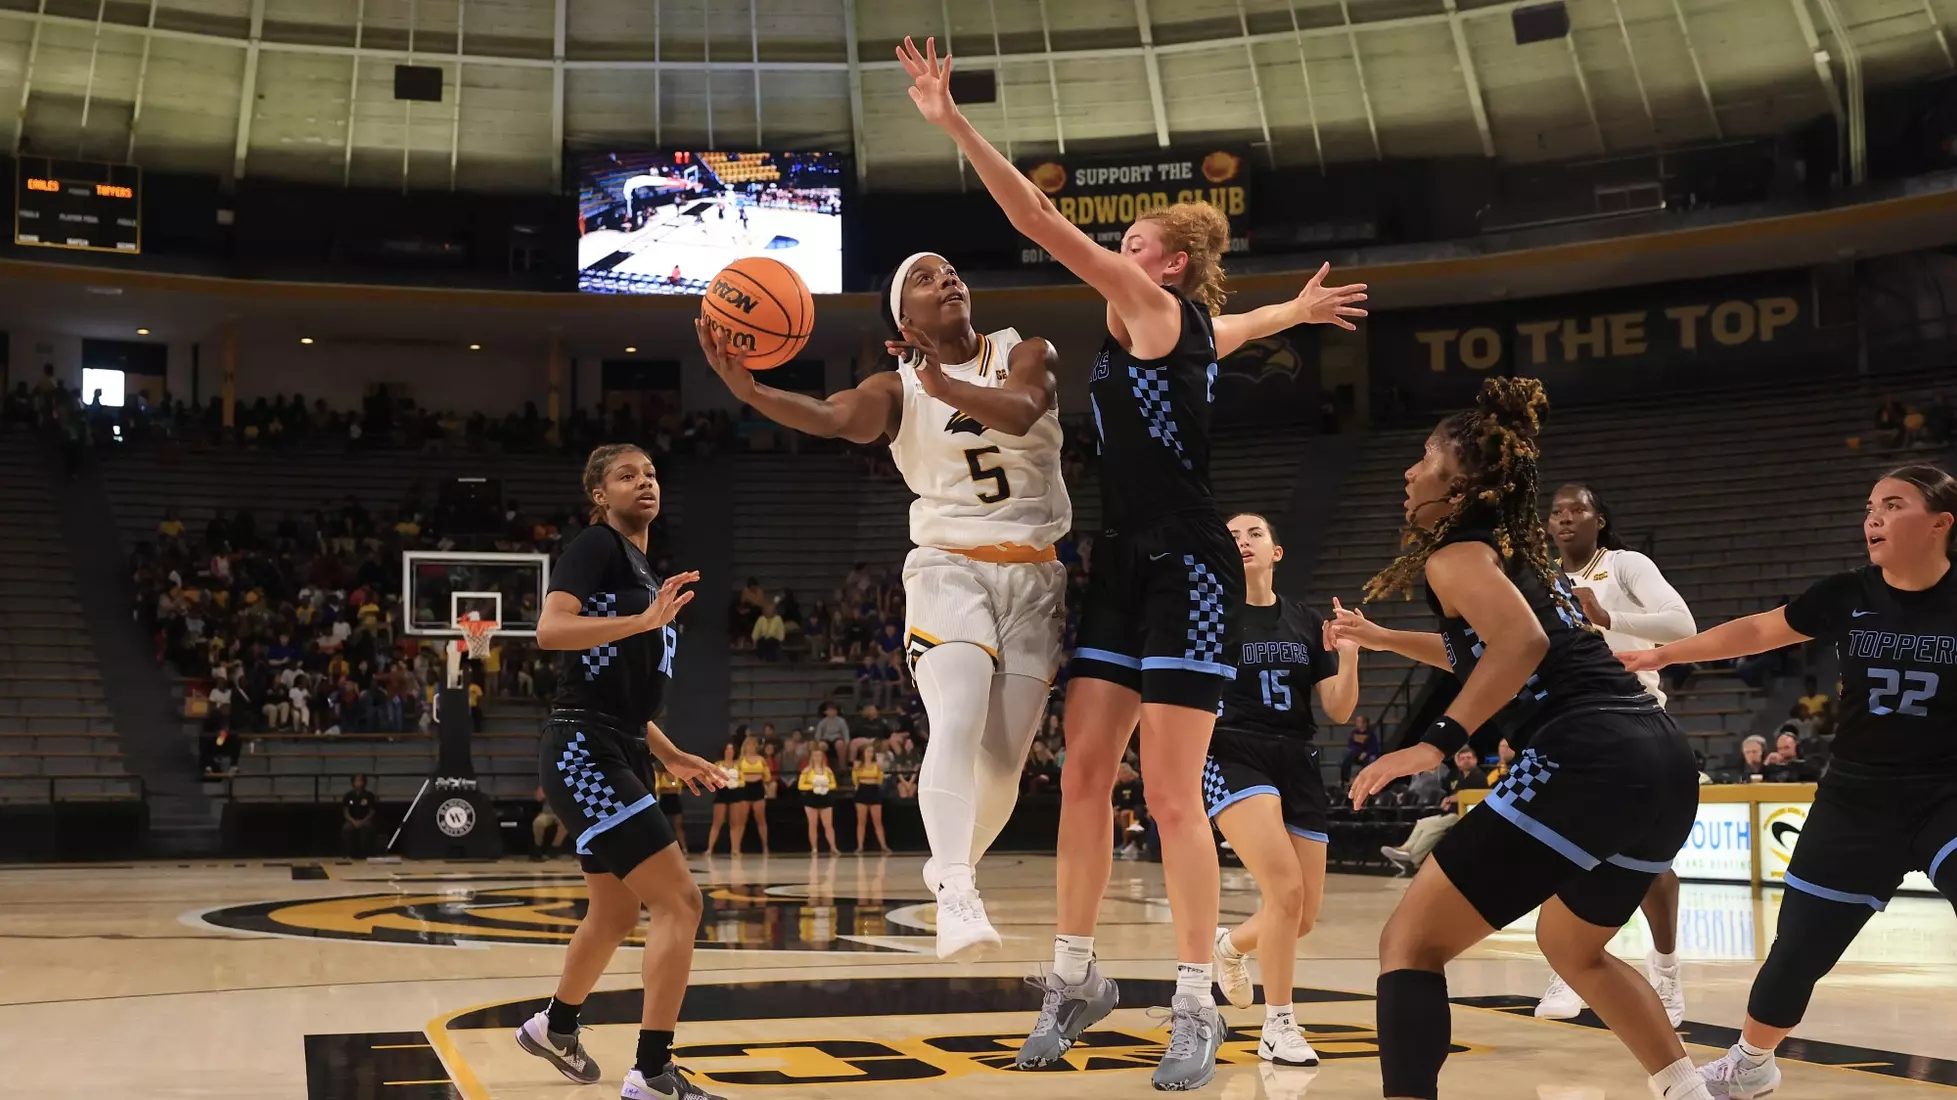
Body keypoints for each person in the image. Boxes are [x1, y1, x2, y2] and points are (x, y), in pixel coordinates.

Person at [889, 38, 1367, 1086]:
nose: (1116, 243)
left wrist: (953, 124)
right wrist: (1292, 310)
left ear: (1165, 267)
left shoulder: (1152, 309)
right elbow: (1234, 326)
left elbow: (1035, 220)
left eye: (1134, 237)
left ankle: (1194, 995)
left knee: (1168, 795)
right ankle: (1074, 978)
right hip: (1117, 561)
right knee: (1083, 778)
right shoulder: (1178, 323)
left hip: (1188, 568)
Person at [1331, 378, 1710, 1100]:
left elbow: (1520, 644)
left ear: (1461, 483)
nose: (1409, 472)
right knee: (1571, 947)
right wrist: (1382, 638)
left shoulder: (1457, 555)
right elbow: (1490, 652)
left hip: (1586, 753)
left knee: (1409, 944)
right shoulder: (1522, 557)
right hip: (1660, 755)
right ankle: (1686, 1091)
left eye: (1424, 459)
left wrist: (1434, 742)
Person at [698, 243, 1073, 961]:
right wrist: (752, 392)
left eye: (951, 270)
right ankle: (957, 890)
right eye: (926, 279)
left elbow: (1023, 412)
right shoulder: (894, 390)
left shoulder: (1025, 349)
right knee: (956, 716)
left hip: (1036, 579)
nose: (949, 279)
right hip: (947, 569)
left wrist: (941, 382)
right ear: (904, 317)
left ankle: (946, 861)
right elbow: (831, 415)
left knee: (1001, 765)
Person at [1614, 465, 1957, 1098]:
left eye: (1893, 504)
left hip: (1947, 794)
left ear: (1941, 523)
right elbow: (1756, 629)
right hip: (1856, 799)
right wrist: (1662, 654)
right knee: (1796, 951)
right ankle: (1752, 1063)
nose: (1873, 517)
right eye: (1869, 506)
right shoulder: (1848, 592)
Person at [515, 442, 727, 1100]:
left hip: (618, 741)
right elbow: (550, 631)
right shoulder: (596, 545)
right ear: (599, 494)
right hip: (584, 745)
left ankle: (555, 1025)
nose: (646, 484)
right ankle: (653, 1071)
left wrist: (668, 753)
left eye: (652, 474)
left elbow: (623, 690)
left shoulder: (637, 564)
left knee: (613, 911)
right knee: (681, 902)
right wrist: (640, 618)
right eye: (627, 476)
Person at [1537, 483, 1698, 1027]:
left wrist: (1608, 618)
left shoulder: (1626, 565)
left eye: (1576, 510)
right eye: (1556, 512)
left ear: (1599, 519)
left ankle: (1667, 971)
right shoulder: (1542, 580)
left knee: (1652, 863)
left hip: (1636, 718)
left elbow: (1682, 626)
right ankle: (1567, 970)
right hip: (1569, 725)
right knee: (1562, 851)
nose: (1565, 519)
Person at [1204, 513, 1359, 1068]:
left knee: (1302, 915)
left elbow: (1338, 708)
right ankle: (1279, 1026)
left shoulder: (1304, 618)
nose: (1242, 542)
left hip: (1297, 757)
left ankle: (1230, 945)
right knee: (1285, 893)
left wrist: (1350, 649)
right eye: (1232, 537)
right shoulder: (1210, 615)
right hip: (1233, 751)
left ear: (1277, 550)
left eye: (1254, 534)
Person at [1379, 744, 1497, 874]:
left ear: (1475, 760)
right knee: (1423, 822)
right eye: (1462, 758)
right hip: (1452, 813)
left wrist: (1453, 799)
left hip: (1466, 816)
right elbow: (1453, 795)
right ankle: (1405, 849)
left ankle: (1413, 859)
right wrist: (1449, 801)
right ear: (1457, 761)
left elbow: (1476, 796)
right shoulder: (1459, 777)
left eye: (1469, 757)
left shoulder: (1478, 776)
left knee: (1434, 827)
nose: (1466, 760)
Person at [799, 743, 841, 854]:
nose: (817, 758)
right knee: (813, 824)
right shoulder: (806, 770)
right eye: (815, 755)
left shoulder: (828, 770)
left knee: (828, 825)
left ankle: (833, 847)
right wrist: (813, 786)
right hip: (811, 798)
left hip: (825, 797)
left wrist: (824, 785)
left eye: (819, 755)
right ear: (811, 757)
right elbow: (800, 785)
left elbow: (834, 785)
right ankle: (814, 848)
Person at [733, 734, 771, 855]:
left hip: (758, 788)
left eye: (753, 745)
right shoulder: (740, 760)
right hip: (745, 788)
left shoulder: (761, 760)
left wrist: (765, 782)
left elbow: (767, 776)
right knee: (741, 820)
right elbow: (736, 775)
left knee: (761, 819)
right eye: (749, 745)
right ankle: (736, 848)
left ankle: (765, 846)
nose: (751, 747)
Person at [853, 744, 891, 853]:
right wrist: (855, 770)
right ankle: (860, 846)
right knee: (861, 821)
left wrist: (881, 769)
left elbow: (879, 780)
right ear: (863, 753)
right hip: (862, 791)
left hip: (874, 791)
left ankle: (883, 846)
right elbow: (855, 781)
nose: (869, 754)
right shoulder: (859, 765)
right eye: (867, 751)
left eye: (871, 752)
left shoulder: (877, 765)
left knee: (878, 821)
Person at [706, 742, 741, 855]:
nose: (729, 751)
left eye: (731, 749)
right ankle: (710, 848)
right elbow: (710, 777)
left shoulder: (738, 764)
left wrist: (736, 783)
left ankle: (735, 849)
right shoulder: (718, 764)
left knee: (735, 822)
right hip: (721, 792)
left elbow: (742, 778)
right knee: (717, 822)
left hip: (734, 792)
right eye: (727, 749)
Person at [342, 774, 377, 858]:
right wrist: (353, 821)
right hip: (352, 820)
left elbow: (372, 811)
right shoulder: (348, 795)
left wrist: (363, 821)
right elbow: (346, 812)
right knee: (346, 829)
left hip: (365, 820)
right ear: (353, 782)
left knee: (367, 829)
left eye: (360, 781)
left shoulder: (369, 795)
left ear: (364, 782)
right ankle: (348, 854)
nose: (358, 783)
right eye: (356, 781)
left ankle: (365, 854)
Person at [654, 766, 686, 855]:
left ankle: (684, 847)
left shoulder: (677, 775)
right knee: (663, 826)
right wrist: (669, 789)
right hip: (664, 801)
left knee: (678, 825)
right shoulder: (661, 775)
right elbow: (658, 788)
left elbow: (679, 789)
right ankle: (661, 848)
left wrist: (668, 789)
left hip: (675, 801)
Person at [1340, 714, 1379, 786]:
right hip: (1356, 753)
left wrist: (1366, 753)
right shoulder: (1354, 733)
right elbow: (1350, 745)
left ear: (1364, 723)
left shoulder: (1371, 734)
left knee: (1372, 759)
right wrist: (1358, 752)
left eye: (1359, 721)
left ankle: (1368, 781)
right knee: (1348, 755)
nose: (1356, 723)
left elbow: (1374, 748)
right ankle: (1345, 780)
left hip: (1368, 754)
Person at [532, 785, 568, 858]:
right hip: (546, 813)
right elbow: (538, 798)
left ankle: (555, 848)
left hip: (561, 814)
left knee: (565, 823)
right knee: (538, 822)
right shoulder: (545, 784)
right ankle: (538, 847)